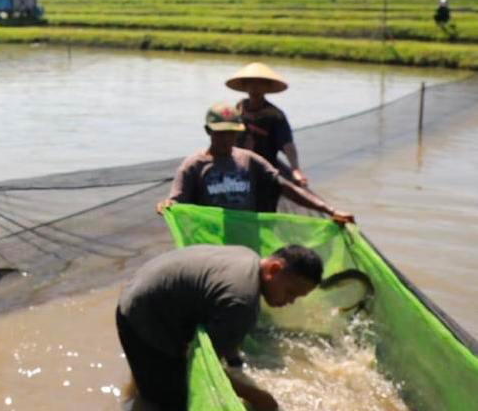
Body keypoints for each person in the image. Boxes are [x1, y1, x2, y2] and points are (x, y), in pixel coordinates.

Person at [117, 243, 324, 411]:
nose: (290, 301)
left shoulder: (247, 255)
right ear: (274, 269)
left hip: (139, 288)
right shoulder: (242, 301)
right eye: (290, 292)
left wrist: (234, 362)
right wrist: (259, 397)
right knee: (171, 401)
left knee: (150, 383)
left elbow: (224, 320)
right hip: (141, 318)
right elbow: (208, 369)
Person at [156, 102, 353, 223]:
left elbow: (286, 188)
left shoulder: (249, 161)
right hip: (210, 243)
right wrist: (167, 205)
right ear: (208, 131)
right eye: (221, 133)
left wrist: (331, 210)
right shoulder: (193, 166)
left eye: (231, 133)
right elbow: (176, 201)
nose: (226, 138)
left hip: (247, 240)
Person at [226, 62, 307, 211]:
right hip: (237, 169)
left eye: (259, 83)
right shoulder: (239, 108)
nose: (254, 87)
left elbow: (287, 145)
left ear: (267, 87)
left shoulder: (275, 115)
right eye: (251, 83)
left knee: (263, 209)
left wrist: (295, 169)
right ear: (245, 85)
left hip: (263, 171)